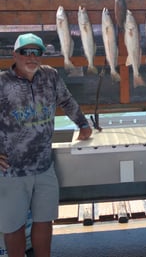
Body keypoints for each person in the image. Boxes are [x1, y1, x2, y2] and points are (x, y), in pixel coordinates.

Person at [0, 33, 92, 257]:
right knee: (13, 227)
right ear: (15, 54)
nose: (31, 57)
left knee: (44, 221)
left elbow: (67, 101)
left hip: (44, 167)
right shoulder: (2, 82)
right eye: (25, 52)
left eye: (36, 52)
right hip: (11, 171)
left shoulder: (50, 76)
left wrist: (83, 124)